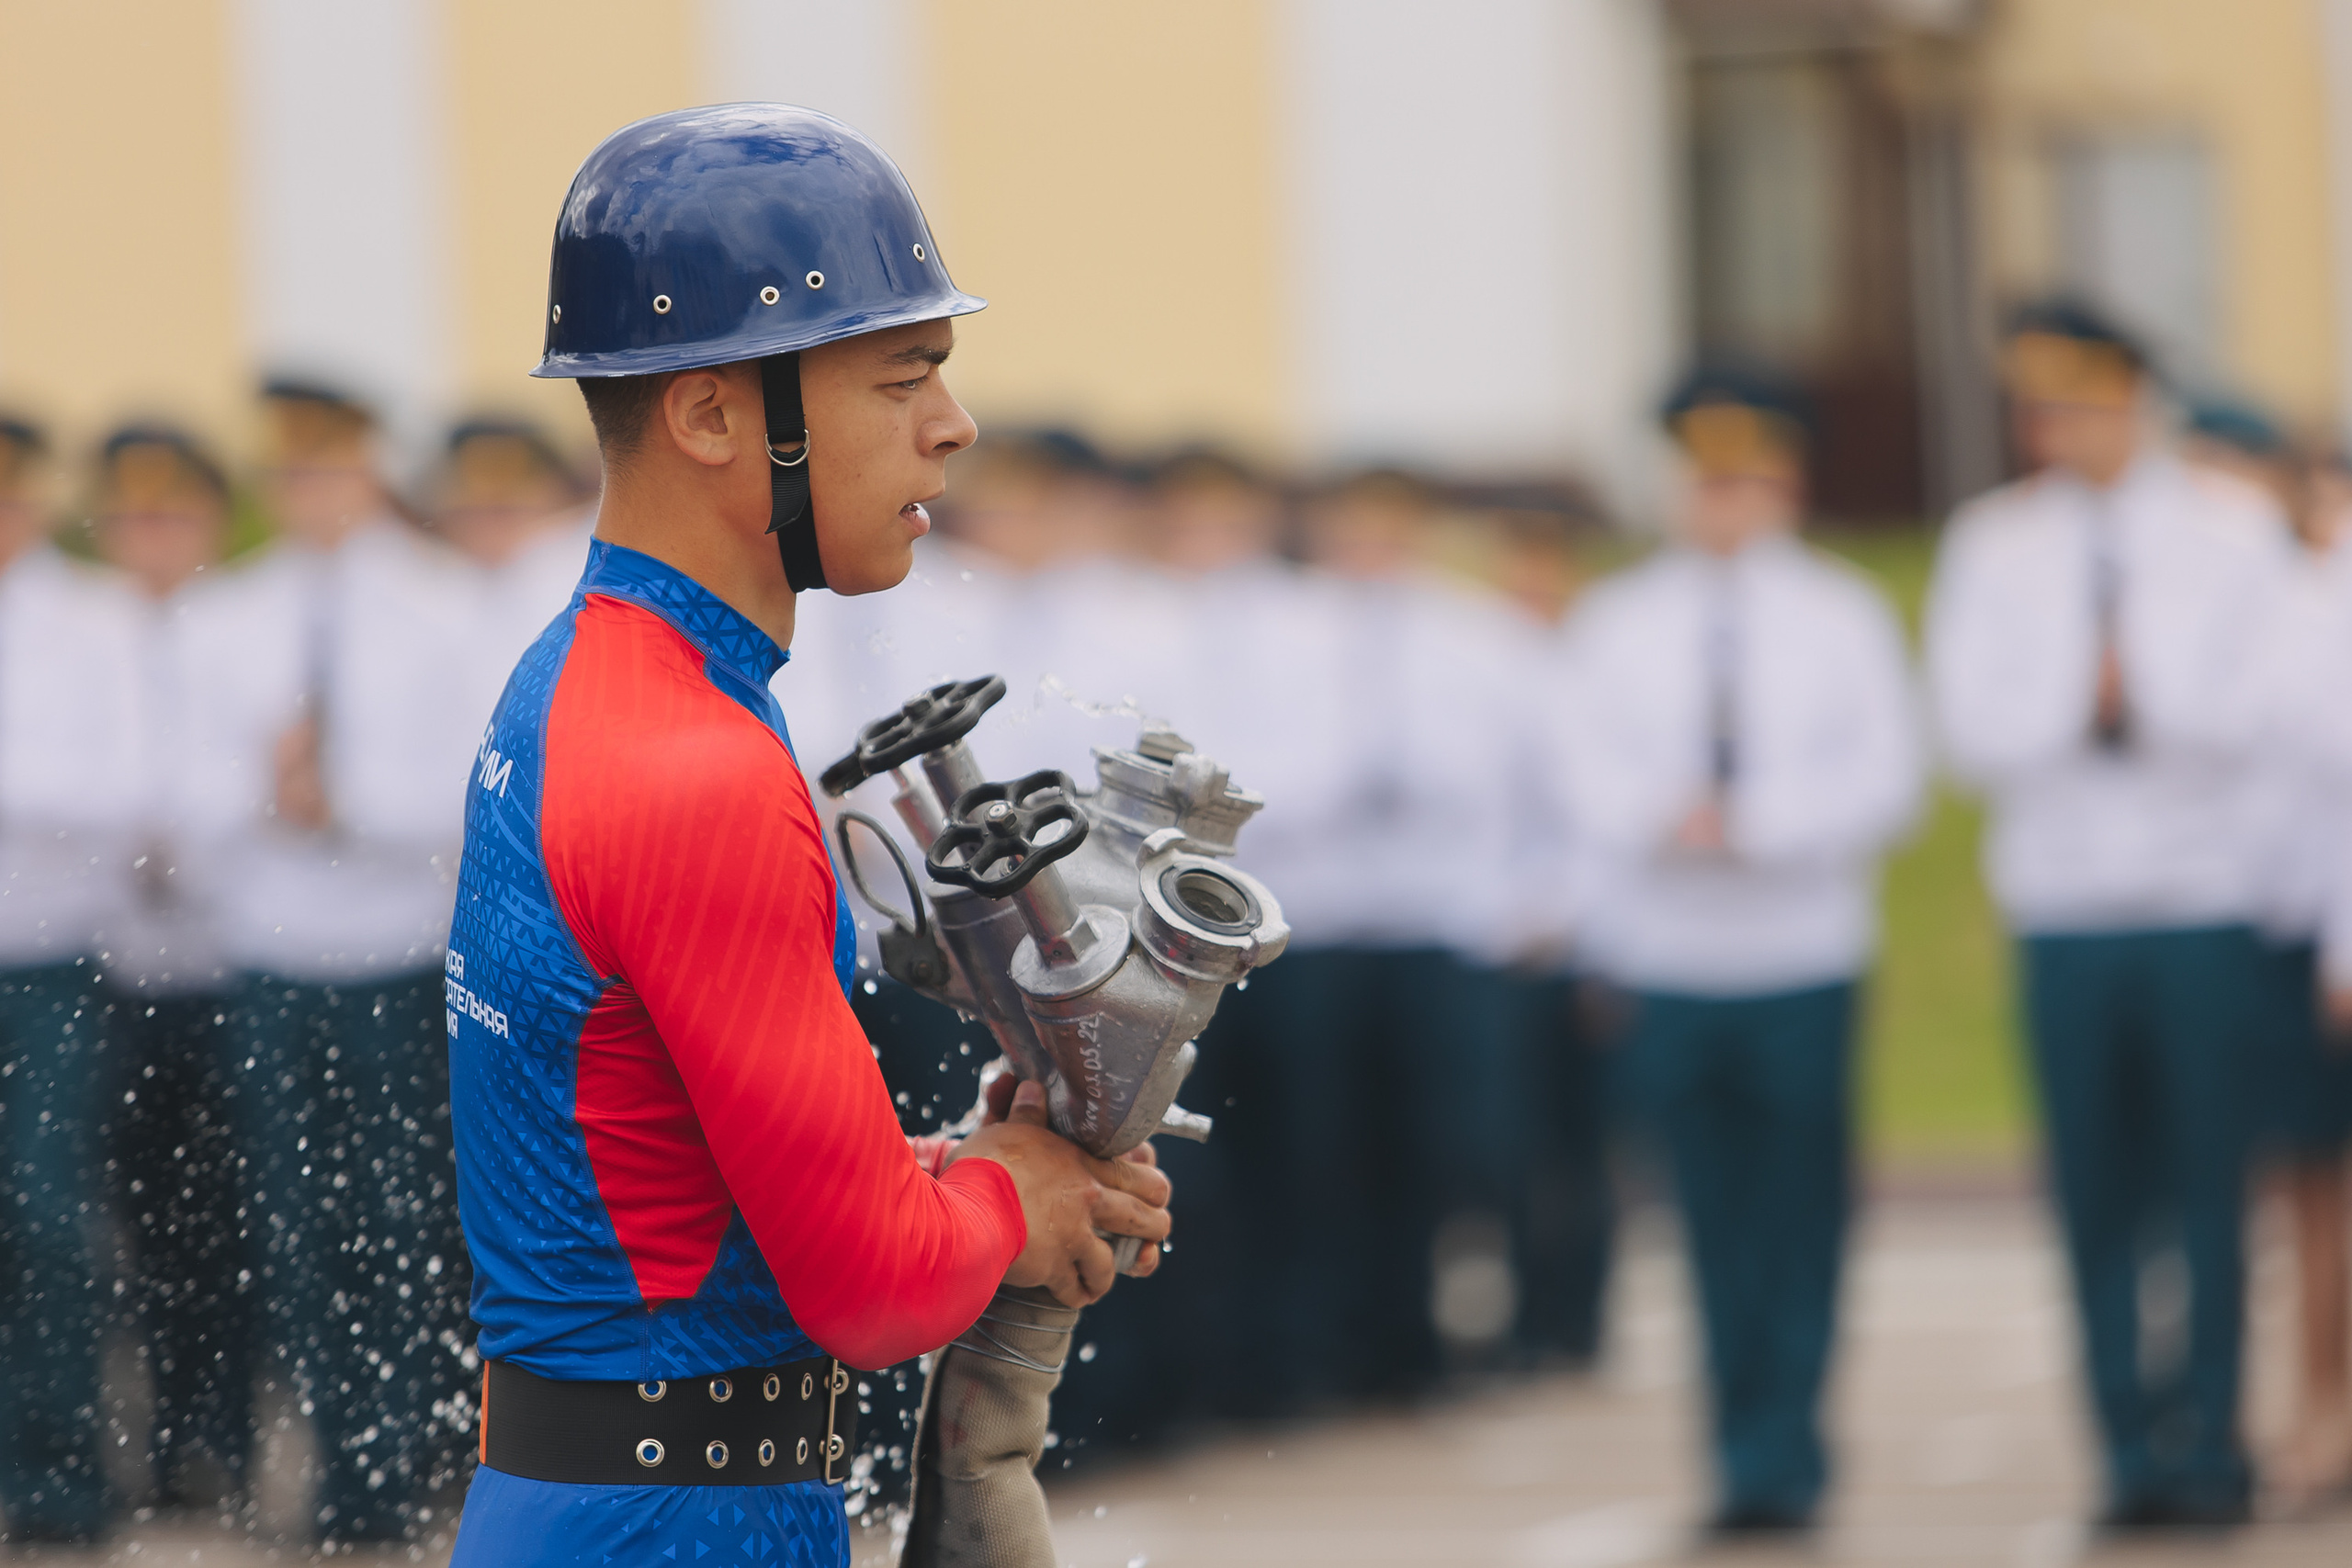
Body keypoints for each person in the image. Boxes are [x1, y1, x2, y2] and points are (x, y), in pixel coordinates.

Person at [441, 104, 1170, 1568]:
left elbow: (653, 1160)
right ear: (712, 415)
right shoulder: (694, 758)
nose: (950, 425)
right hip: (676, 1522)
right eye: (901, 380)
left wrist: (938, 1162)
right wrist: (1005, 1195)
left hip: (613, 1491)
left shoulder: (600, 669)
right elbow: (875, 1290)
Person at [1926, 301, 2290, 1529]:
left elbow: (2260, 709)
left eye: (2082, 401)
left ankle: (2211, 1438)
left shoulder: (2230, 529)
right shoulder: (1995, 542)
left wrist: (2151, 694)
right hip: (2067, 899)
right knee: (2093, 1188)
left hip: (2200, 895)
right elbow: (1970, 728)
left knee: (2206, 1187)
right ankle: (2125, 1445)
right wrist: (2079, 704)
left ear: (2135, 400)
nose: (2059, 427)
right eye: (2043, 405)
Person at [1562, 367, 1923, 1533]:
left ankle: (1792, 1443)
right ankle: (1740, 1454)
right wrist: (1664, 815)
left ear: (1784, 486)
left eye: (1744, 482)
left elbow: (1888, 777)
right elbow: (1582, 765)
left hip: (1799, 949)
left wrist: (1760, 822)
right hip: (1674, 955)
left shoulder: (1842, 610)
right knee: (1707, 1215)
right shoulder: (1621, 618)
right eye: (1703, 482)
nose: (1722, 505)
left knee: (1801, 1213)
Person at [175, 378, 481, 1541]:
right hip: (270, 950)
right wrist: (267, 793)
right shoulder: (229, 612)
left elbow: (471, 788)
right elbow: (185, 793)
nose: (310, 493)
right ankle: (340, 1466)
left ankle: (401, 1459)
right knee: (295, 1222)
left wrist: (342, 802)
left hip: (396, 948)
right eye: (291, 473)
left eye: (330, 469)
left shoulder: (444, 606)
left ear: (371, 471)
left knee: (401, 1215)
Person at [84, 424, 254, 1508]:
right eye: (132, 514)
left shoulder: (244, 621)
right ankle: (134, 1452)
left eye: (173, 512)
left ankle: (221, 1448)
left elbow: (265, 771)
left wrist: (180, 838)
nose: (153, 535)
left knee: (227, 1223)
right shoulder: (75, 625)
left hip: (228, 954)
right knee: (118, 1221)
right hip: (106, 958)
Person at [2191, 407, 2352, 1505]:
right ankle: (2317, 1408)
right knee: (2302, 1189)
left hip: (2332, 930)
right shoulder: (2274, 600)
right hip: (2270, 929)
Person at [0, 414, 145, 1540]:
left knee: (45, 1220)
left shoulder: (93, 619)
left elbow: (120, 797)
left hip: (44, 961)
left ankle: (57, 1478)